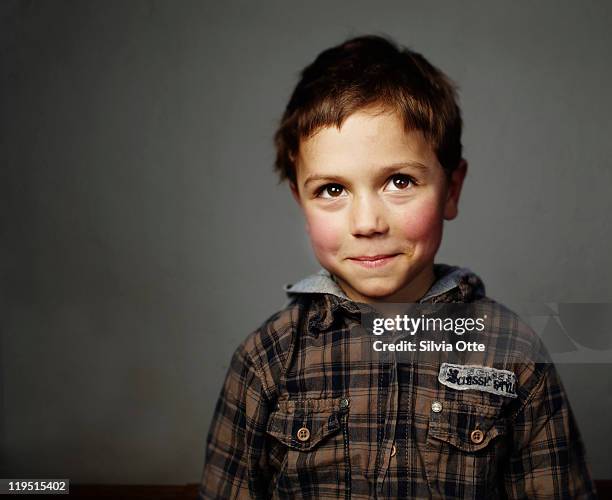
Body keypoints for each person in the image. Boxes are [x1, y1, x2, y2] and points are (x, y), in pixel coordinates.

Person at [198, 34, 596, 499]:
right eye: (332, 190)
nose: (366, 223)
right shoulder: (266, 361)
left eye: (399, 181)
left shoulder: (514, 356)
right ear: (300, 202)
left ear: (451, 189)